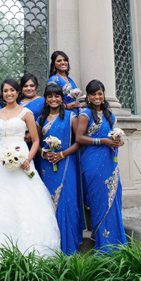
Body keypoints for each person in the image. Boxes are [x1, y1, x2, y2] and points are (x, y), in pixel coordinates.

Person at [0, 78, 60, 257]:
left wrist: (28, 159)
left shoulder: (26, 113)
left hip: (22, 158)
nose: (9, 93)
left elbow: (36, 140)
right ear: (3, 93)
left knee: (25, 200)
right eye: (6, 91)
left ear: (18, 92)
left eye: (12, 90)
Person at [76, 79, 127, 252]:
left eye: (100, 93)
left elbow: (111, 136)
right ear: (88, 97)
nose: (97, 97)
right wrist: (102, 141)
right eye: (93, 94)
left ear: (103, 95)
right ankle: (103, 244)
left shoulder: (109, 115)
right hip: (91, 163)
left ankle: (115, 243)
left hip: (109, 162)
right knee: (99, 201)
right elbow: (79, 138)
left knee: (113, 199)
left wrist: (117, 141)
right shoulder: (85, 114)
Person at [37, 83, 85, 255]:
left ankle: (69, 248)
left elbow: (79, 141)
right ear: (46, 99)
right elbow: (36, 142)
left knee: (67, 203)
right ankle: (51, 248)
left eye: (56, 96)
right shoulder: (40, 119)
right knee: (48, 204)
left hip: (67, 164)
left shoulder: (72, 117)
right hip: (46, 166)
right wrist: (44, 153)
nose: (53, 99)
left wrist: (62, 154)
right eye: (50, 96)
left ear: (62, 98)